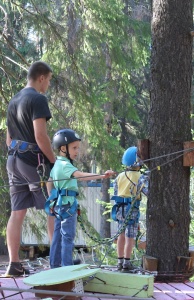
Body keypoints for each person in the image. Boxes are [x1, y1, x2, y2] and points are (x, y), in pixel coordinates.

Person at [5, 61, 56, 276]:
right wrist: (54, 161)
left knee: (17, 212)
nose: (48, 85)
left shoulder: (13, 100)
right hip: (32, 162)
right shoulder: (38, 99)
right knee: (53, 207)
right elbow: (40, 136)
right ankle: (57, 261)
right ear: (41, 78)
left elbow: (9, 140)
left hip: (13, 160)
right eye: (49, 80)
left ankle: (14, 264)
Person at [46, 129, 115, 268]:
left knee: (58, 236)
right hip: (68, 206)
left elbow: (49, 182)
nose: (77, 151)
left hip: (60, 205)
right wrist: (102, 176)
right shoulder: (65, 165)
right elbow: (81, 175)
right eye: (74, 148)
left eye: (78, 147)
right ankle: (66, 266)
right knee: (68, 237)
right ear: (63, 148)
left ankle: (55, 264)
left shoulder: (57, 164)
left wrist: (52, 199)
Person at [112, 146, 149, 272]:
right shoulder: (140, 176)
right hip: (131, 209)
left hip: (119, 209)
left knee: (121, 235)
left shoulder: (119, 176)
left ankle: (120, 261)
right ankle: (127, 263)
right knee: (130, 236)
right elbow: (147, 191)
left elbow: (116, 191)